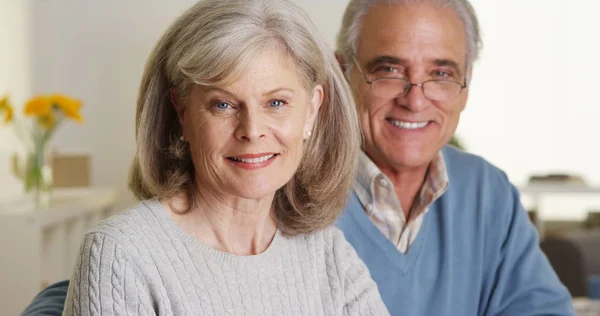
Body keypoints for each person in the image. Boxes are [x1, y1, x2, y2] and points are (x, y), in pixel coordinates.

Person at [56, 0, 390, 315]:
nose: (252, 130)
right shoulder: (121, 256)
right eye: (223, 104)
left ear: (312, 111)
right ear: (182, 112)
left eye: (276, 103)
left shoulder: (330, 256)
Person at [334, 0, 575, 315]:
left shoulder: (487, 191)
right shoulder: (288, 194)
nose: (415, 100)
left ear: (466, 85)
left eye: (440, 73)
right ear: (341, 74)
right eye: (389, 70)